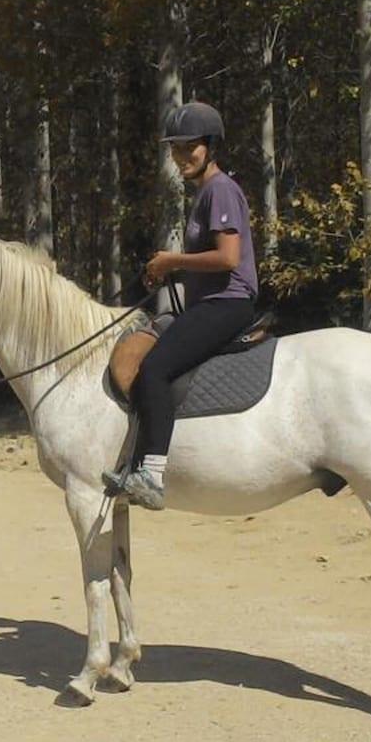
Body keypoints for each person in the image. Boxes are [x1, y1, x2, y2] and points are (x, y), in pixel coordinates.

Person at [102, 101, 259, 510]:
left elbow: (228, 258)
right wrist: (172, 271)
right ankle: (133, 463)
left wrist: (173, 261)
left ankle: (152, 475)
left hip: (227, 304)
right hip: (211, 302)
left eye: (190, 147)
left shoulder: (219, 190)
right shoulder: (206, 192)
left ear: (210, 146)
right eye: (175, 149)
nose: (181, 156)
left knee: (154, 368)